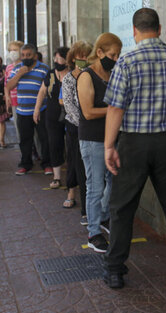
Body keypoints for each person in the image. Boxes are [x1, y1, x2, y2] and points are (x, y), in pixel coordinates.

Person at [103, 8, 166, 288]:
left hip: (134, 143)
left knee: (122, 206)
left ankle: (115, 269)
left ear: (134, 30)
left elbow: (116, 108)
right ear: (160, 28)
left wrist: (109, 146)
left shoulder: (127, 61)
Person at [77, 33, 121, 253]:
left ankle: (102, 217)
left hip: (111, 138)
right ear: (100, 52)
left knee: (112, 182)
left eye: (118, 55)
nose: (115, 59)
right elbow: (88, 112)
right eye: (112, 54)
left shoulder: (112, 74)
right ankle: (94, 232)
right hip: (93, 139)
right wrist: (116, 109)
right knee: (95, 186)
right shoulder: (86, 76)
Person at [6, 43, 52, 176]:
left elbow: (48, 88)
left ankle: (47, 164)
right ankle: (25, 164)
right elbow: (9, 86)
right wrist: (19, 74)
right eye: (23, 55)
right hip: (23, 111)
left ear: (35, 56)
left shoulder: (44, 68)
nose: (25, 57)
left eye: (28, 55)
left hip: (41, 110)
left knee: (44, 138)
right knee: (25, 139)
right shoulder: (17, 69)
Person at [61, 41, 93, 224]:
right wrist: (85, 121)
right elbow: (69, 107)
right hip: (76, 127)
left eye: (87, 56)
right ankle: (85, 210)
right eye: (80, 57)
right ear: (73, 58)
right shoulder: (68, 79)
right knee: (81, 168)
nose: (84, 60)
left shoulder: (92, 75)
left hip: (93, 127)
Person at [33, 47, 70, 189]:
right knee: (54, 144)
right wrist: (36, 110)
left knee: (71, 146)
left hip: (70, 115)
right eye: (55, 58)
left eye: (59, 58)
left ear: (67, 59)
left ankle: (74, 176)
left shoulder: (74, 74)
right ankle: (57, 177)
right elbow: (42, 91)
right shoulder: (50, 74)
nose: (56, 61)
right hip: (52, 115)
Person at [4, 41, 24, 141]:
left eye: (15, 50)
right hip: (14, 101)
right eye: (10, 50)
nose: (12, 52)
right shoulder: (8, 68)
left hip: (25, 101)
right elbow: (6, 85)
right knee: (18, 127)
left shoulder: (25, 66)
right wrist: (7, 99)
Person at [0, 56, 8, 148]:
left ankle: (1, 140)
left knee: (1, 121)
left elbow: (7, 83)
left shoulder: (4, 69)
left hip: (1, 99)